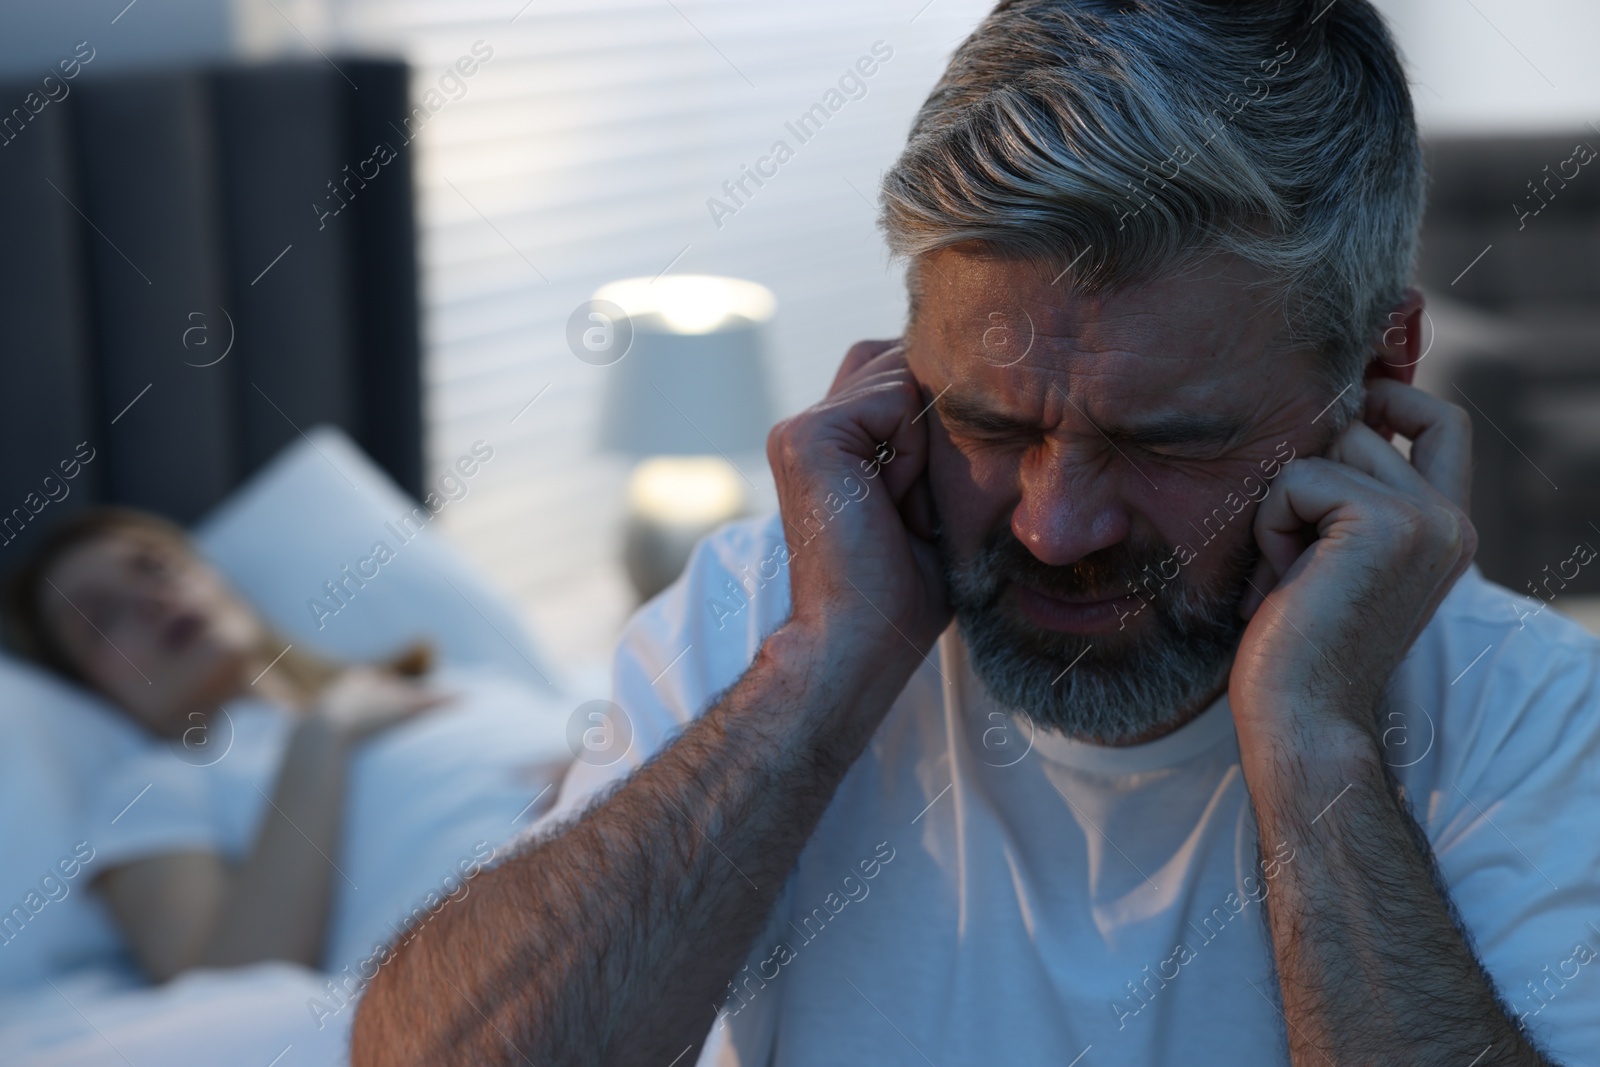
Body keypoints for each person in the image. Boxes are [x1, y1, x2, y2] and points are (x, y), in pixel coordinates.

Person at [352, 1, 1600, 1064]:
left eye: (1167, 443)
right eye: (987, 422)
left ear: (1378, 370)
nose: (1055, 527)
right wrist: (821, 670)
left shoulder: (1530, 715)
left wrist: (1316, 740)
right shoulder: (773, 613)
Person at [3, 507, 449, 983]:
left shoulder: (427, 680)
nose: (150, 600)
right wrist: (321, 735)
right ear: (90, 689)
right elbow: (224, 989)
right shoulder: (154, 789)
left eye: (158, 566)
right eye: (102, 618)